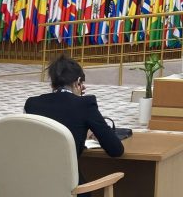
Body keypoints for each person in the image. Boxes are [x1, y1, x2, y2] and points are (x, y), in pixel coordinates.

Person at [25, 55, 123, 194]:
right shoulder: (85, 104)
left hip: (31, 187)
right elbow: (115, 150)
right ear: (78, 82)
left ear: (53, 84)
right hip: (69, 190)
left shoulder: (31, 104)